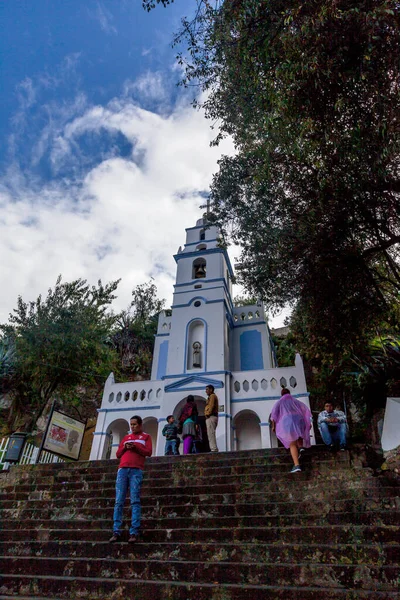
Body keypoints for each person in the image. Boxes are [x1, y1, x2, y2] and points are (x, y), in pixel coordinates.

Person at [109, 415, 152, 543]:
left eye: (134, 424)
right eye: (131, 424)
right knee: (119, 501)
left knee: (135, 500)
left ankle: (134, 531)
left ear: (140, 425)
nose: (132, 427)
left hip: (136, 469)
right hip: (122, 469)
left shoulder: (146, 437)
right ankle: (116, 531)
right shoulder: (126, 438)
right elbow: (118, 454)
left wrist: (136, 447)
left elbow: (148, 451)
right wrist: (125, 447)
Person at [270, 388, 312, 473]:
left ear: (282, 394)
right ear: (289, 393)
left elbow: (273, 415)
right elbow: (304, 410)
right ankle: (300, 448)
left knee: (292, 443)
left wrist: (273, 426)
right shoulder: (295, 401)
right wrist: (308, 422)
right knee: (299, 434)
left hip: (287, 422)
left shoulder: (279, 402)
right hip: (299, 419)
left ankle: (296, 465)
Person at [205, 385, 219, 452]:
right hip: (211, 416)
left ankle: (213, 449)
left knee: (211, 433)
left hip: (211, 416)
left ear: (211, 389)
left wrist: (208, 413)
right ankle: (213, 448)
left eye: (207, 389)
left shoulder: (212, 396)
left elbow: (211, 405)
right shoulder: (210, 397)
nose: (206, 391)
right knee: (210, 433)